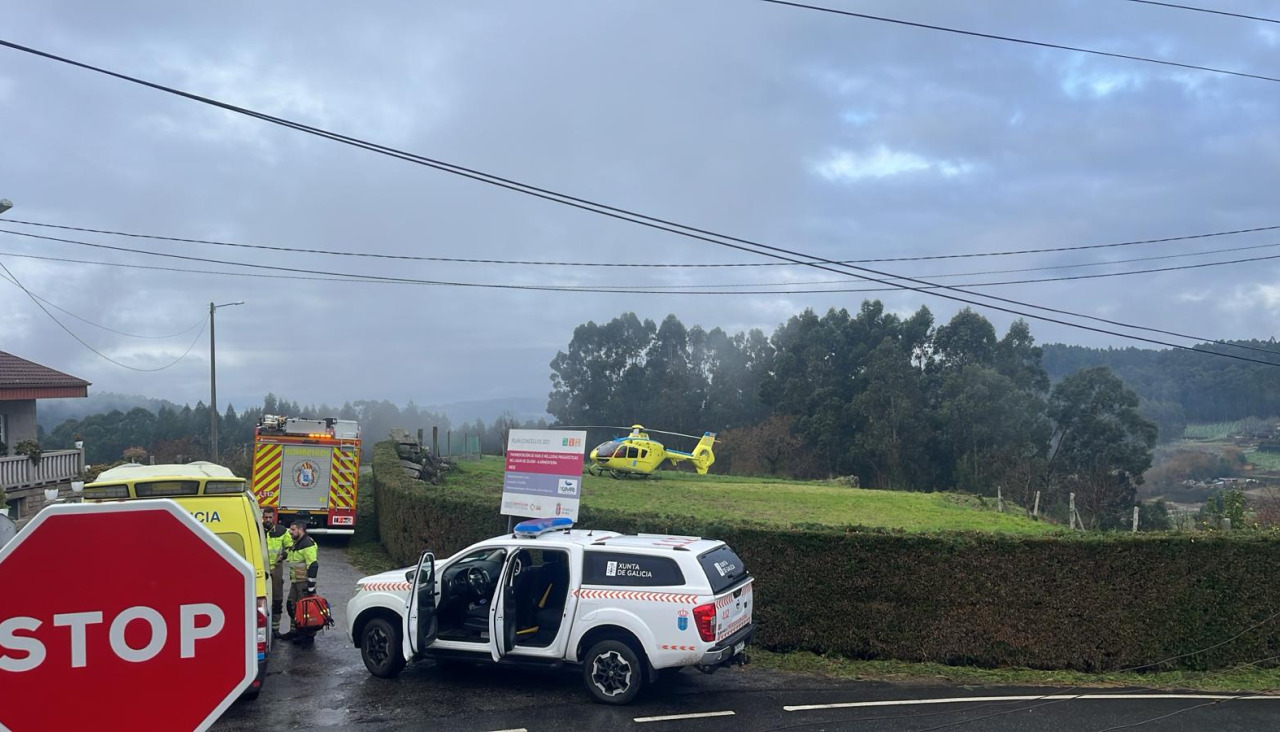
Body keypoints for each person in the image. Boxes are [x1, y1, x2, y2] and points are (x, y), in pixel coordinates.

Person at [280, 519, 319, 644]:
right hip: (296, 581)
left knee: (305, 610)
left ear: (301, 530)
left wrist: (311, 587)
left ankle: (307, 636)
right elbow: (292, 553)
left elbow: (313, 565)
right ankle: (295, 631)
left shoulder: (308, 544)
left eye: (293, 529)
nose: (290, 532)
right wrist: (283, 555)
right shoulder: (297, 542)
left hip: (303, 582)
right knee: (292, 606)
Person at [262, 510, 293, 639]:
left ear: (274, 517)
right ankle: (261, 628)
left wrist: (283, 555)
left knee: (277, 598)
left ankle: (275, 628)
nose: (268, 519)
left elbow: (291, 546)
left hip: (276, 568)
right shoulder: (257, 529)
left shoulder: (281, 531)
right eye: (266, 517)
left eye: (270, 517)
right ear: (262, 517)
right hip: (261, 568)